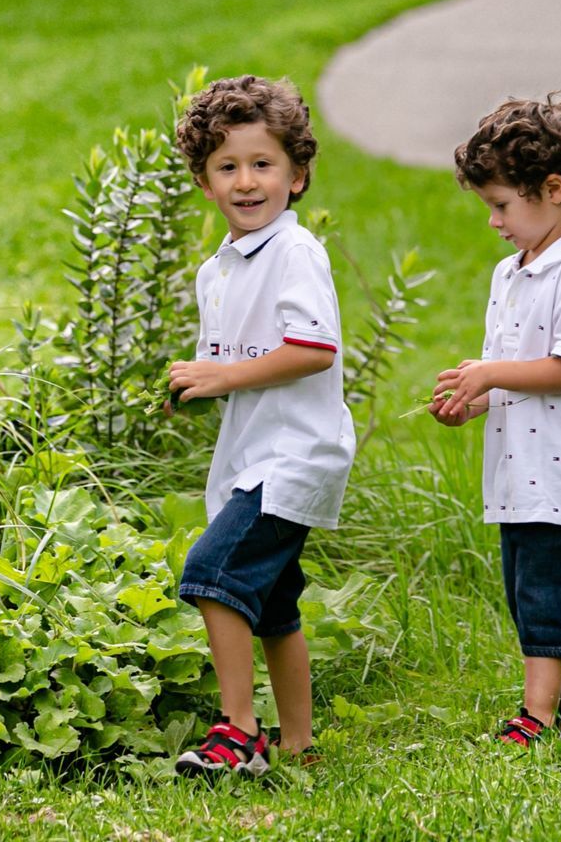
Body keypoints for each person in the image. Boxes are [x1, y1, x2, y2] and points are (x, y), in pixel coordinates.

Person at [430, 94, 561, 746]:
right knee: (536, 591)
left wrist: (490, 375)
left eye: (502, 205)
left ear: (552, 189)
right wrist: (476, 398)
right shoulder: (510, 273)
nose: (493, 221)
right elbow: (513, 367)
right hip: (524, 472)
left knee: (549, 593)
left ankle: (536, 716)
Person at [167, 76, 352, 777]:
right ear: (205, 182)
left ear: (298, 174)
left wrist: (220, 377)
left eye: (263, 164)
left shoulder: (293, 252)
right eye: (227, 167)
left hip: (294, 456)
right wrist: (197, 382)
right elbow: (239, 356)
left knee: (211, 574)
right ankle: (298, 742)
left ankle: (238, 729)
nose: (247, 182)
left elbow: (312, 350)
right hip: (255, 454)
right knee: (272, 601)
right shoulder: (220, 267)